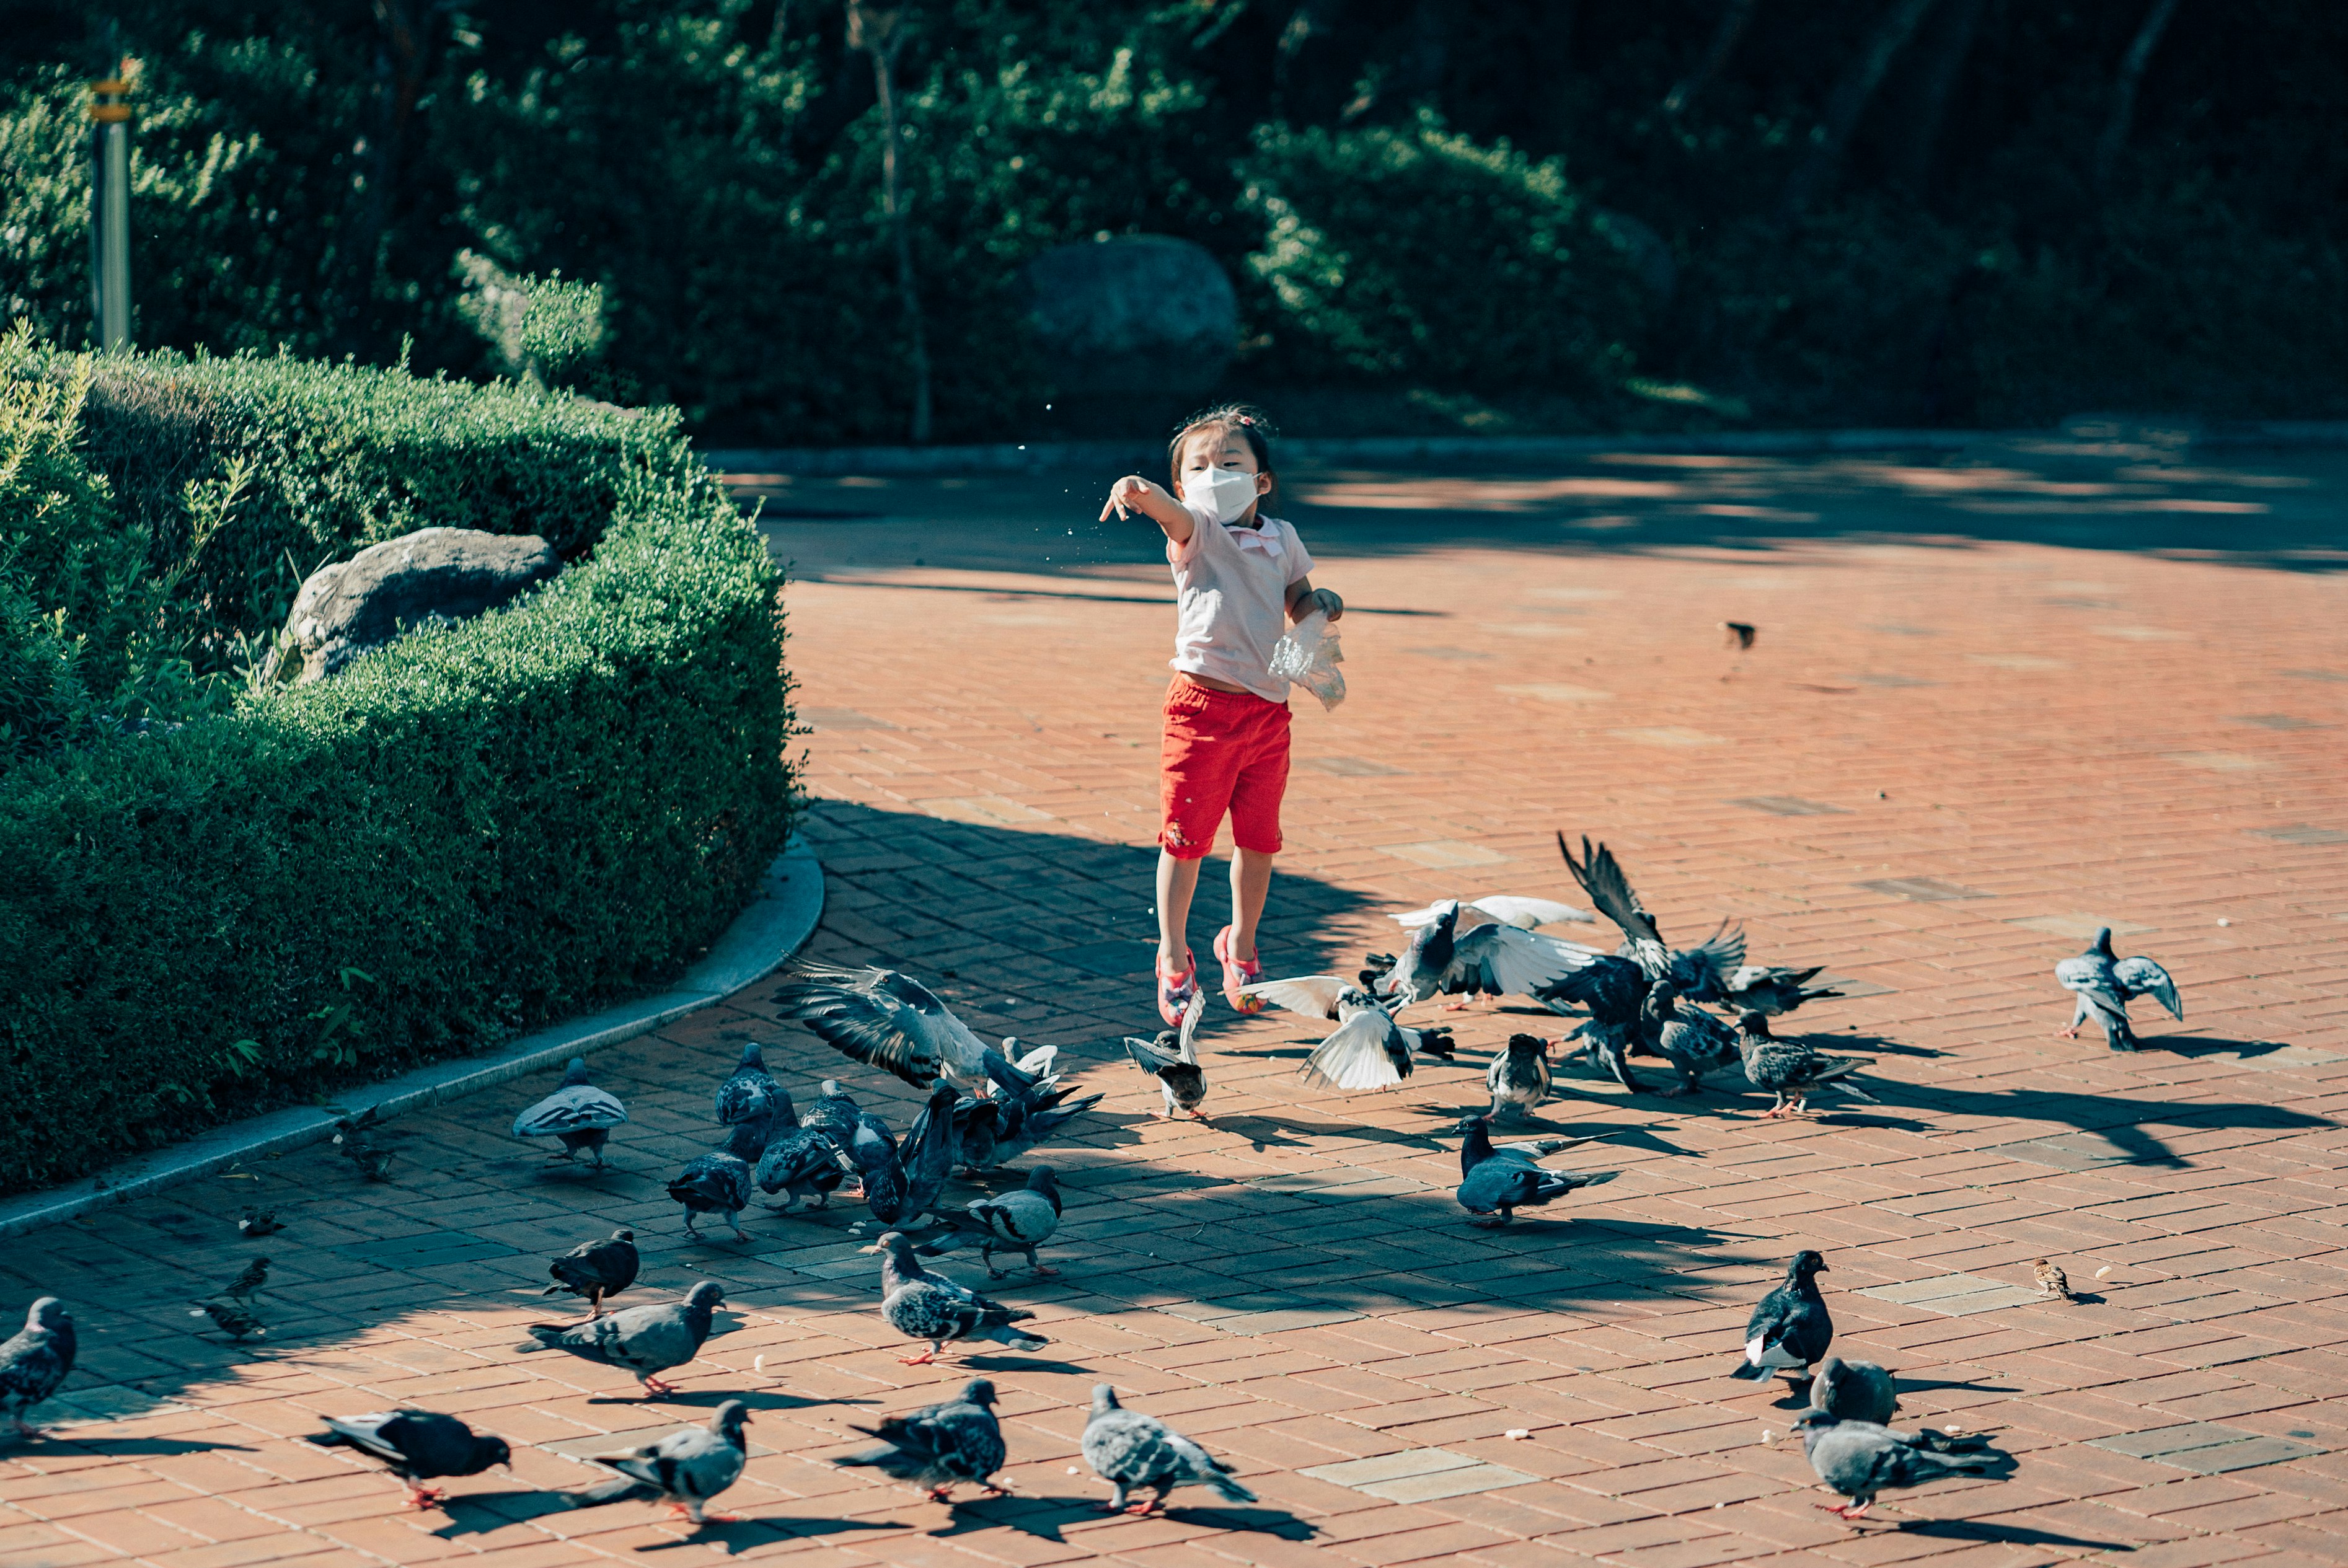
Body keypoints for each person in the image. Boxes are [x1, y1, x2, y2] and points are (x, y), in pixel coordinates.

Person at [1099, 406, 1343, 1026]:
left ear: (1261, 481)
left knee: (1259, 842)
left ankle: (1239, 943)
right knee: (1184, 843)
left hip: (1267, 715)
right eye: (1198, 467)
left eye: (1230, 463)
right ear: (1183, 486)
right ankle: (1173, 956)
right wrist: (1139, 490)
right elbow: (1167, 511)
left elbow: (1298, 600)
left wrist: (1322, 605)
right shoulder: (1196, 532)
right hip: (1200, 714)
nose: (1214, 474)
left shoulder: (1282, 538)